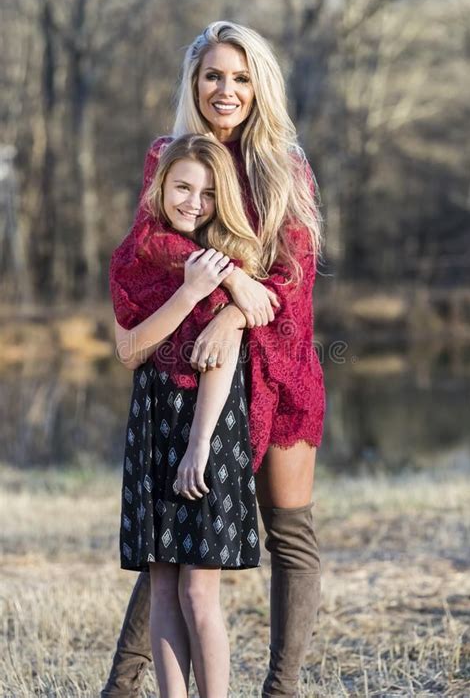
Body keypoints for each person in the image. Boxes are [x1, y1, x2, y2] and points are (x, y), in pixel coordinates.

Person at [104, 21, 325, 698]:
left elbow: (296, 273)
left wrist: (236, 312)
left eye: (239, 76)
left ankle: (281, 688)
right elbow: (152, 241)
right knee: (176, 535)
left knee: (289, 530)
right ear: (194, 82)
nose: (225, 89)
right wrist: (230, 279)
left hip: (277, 364)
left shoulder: (285, 164)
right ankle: (124, 682)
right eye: (213, 76)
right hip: (192, 364)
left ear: (259, 85)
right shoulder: (169, 153)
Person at [112, 134, 265, 697]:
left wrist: (200, 444)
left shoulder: (229, 261)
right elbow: (131, 350)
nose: (192, 202)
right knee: (163, 581)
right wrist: (187, 291)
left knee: (199, 591)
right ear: (159, 184)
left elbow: (222, 360)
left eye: (206, 193)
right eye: (182, 187)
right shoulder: (134, 257)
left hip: (209, 421)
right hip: (154, 419)